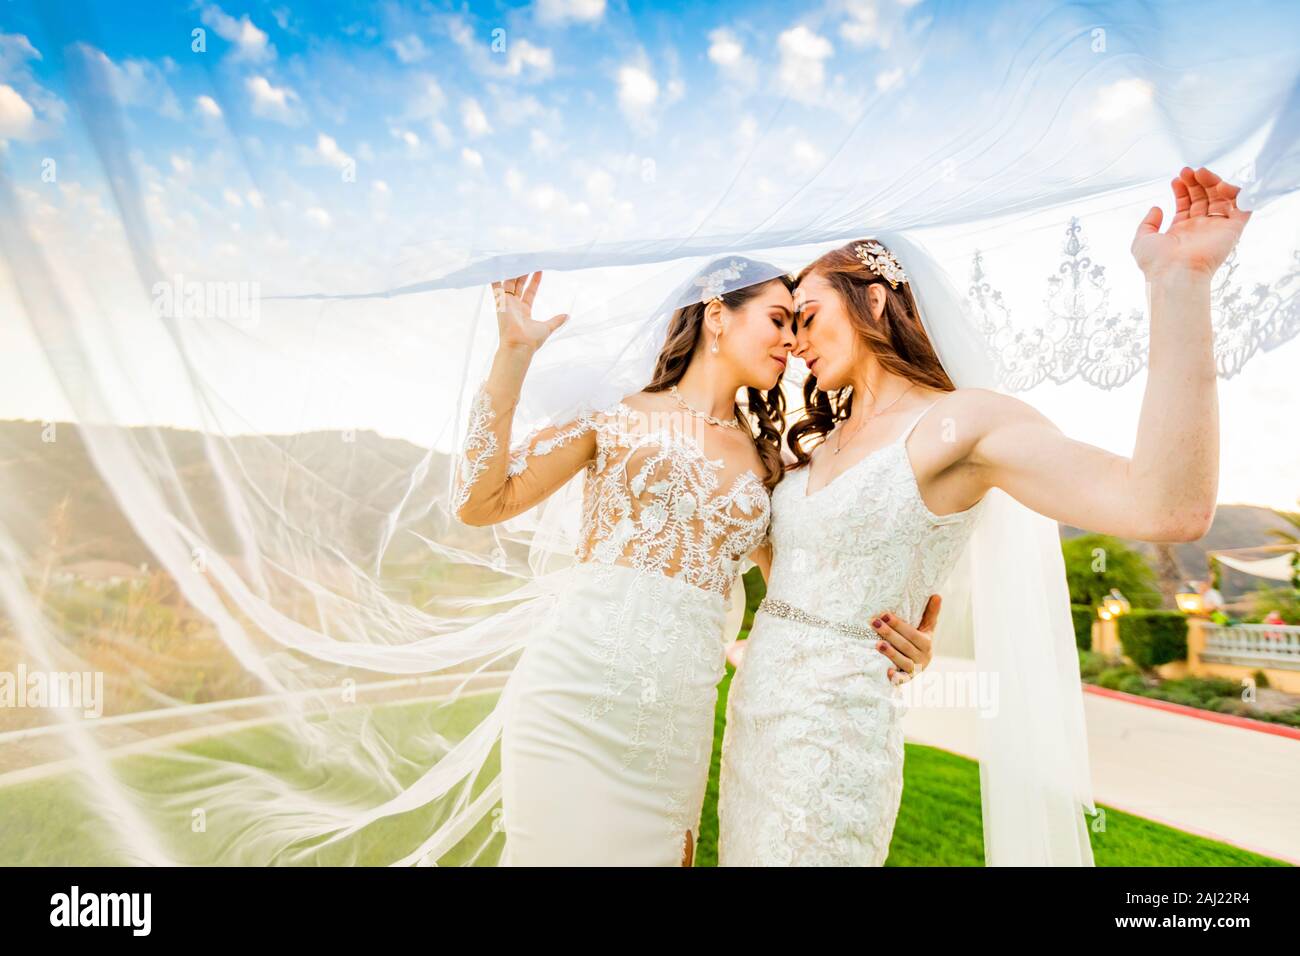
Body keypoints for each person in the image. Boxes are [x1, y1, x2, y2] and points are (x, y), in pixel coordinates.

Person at [718, 166, 1250, 866]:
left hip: (831, 741)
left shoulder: (963, 422)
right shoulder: (815, 446)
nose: (796, 341)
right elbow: (798, 578)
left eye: (809, 317)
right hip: (754, 718)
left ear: (874, 300)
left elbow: (1166, 505)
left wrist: (1180, 284)